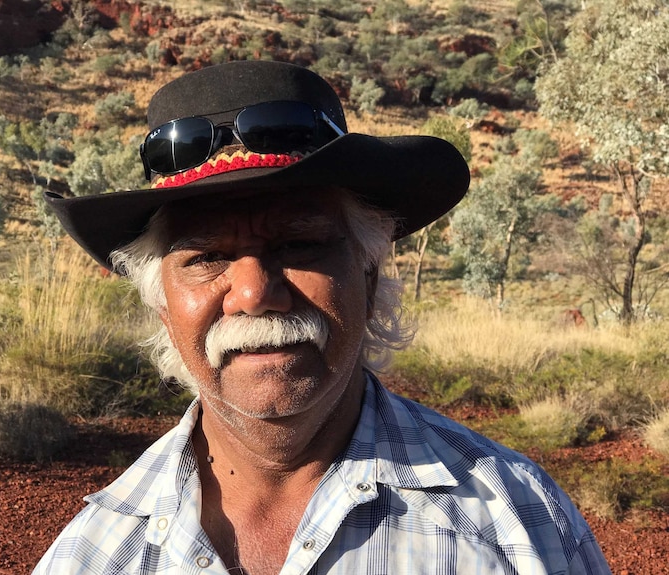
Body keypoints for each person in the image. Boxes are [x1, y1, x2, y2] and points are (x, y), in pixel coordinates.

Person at [32, 60, 610, 574]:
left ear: (368, 274)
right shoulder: (95, 555)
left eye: (301, 244)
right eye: (207, 258)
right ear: (162, 305)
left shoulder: (516, 527)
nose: (255, 293)